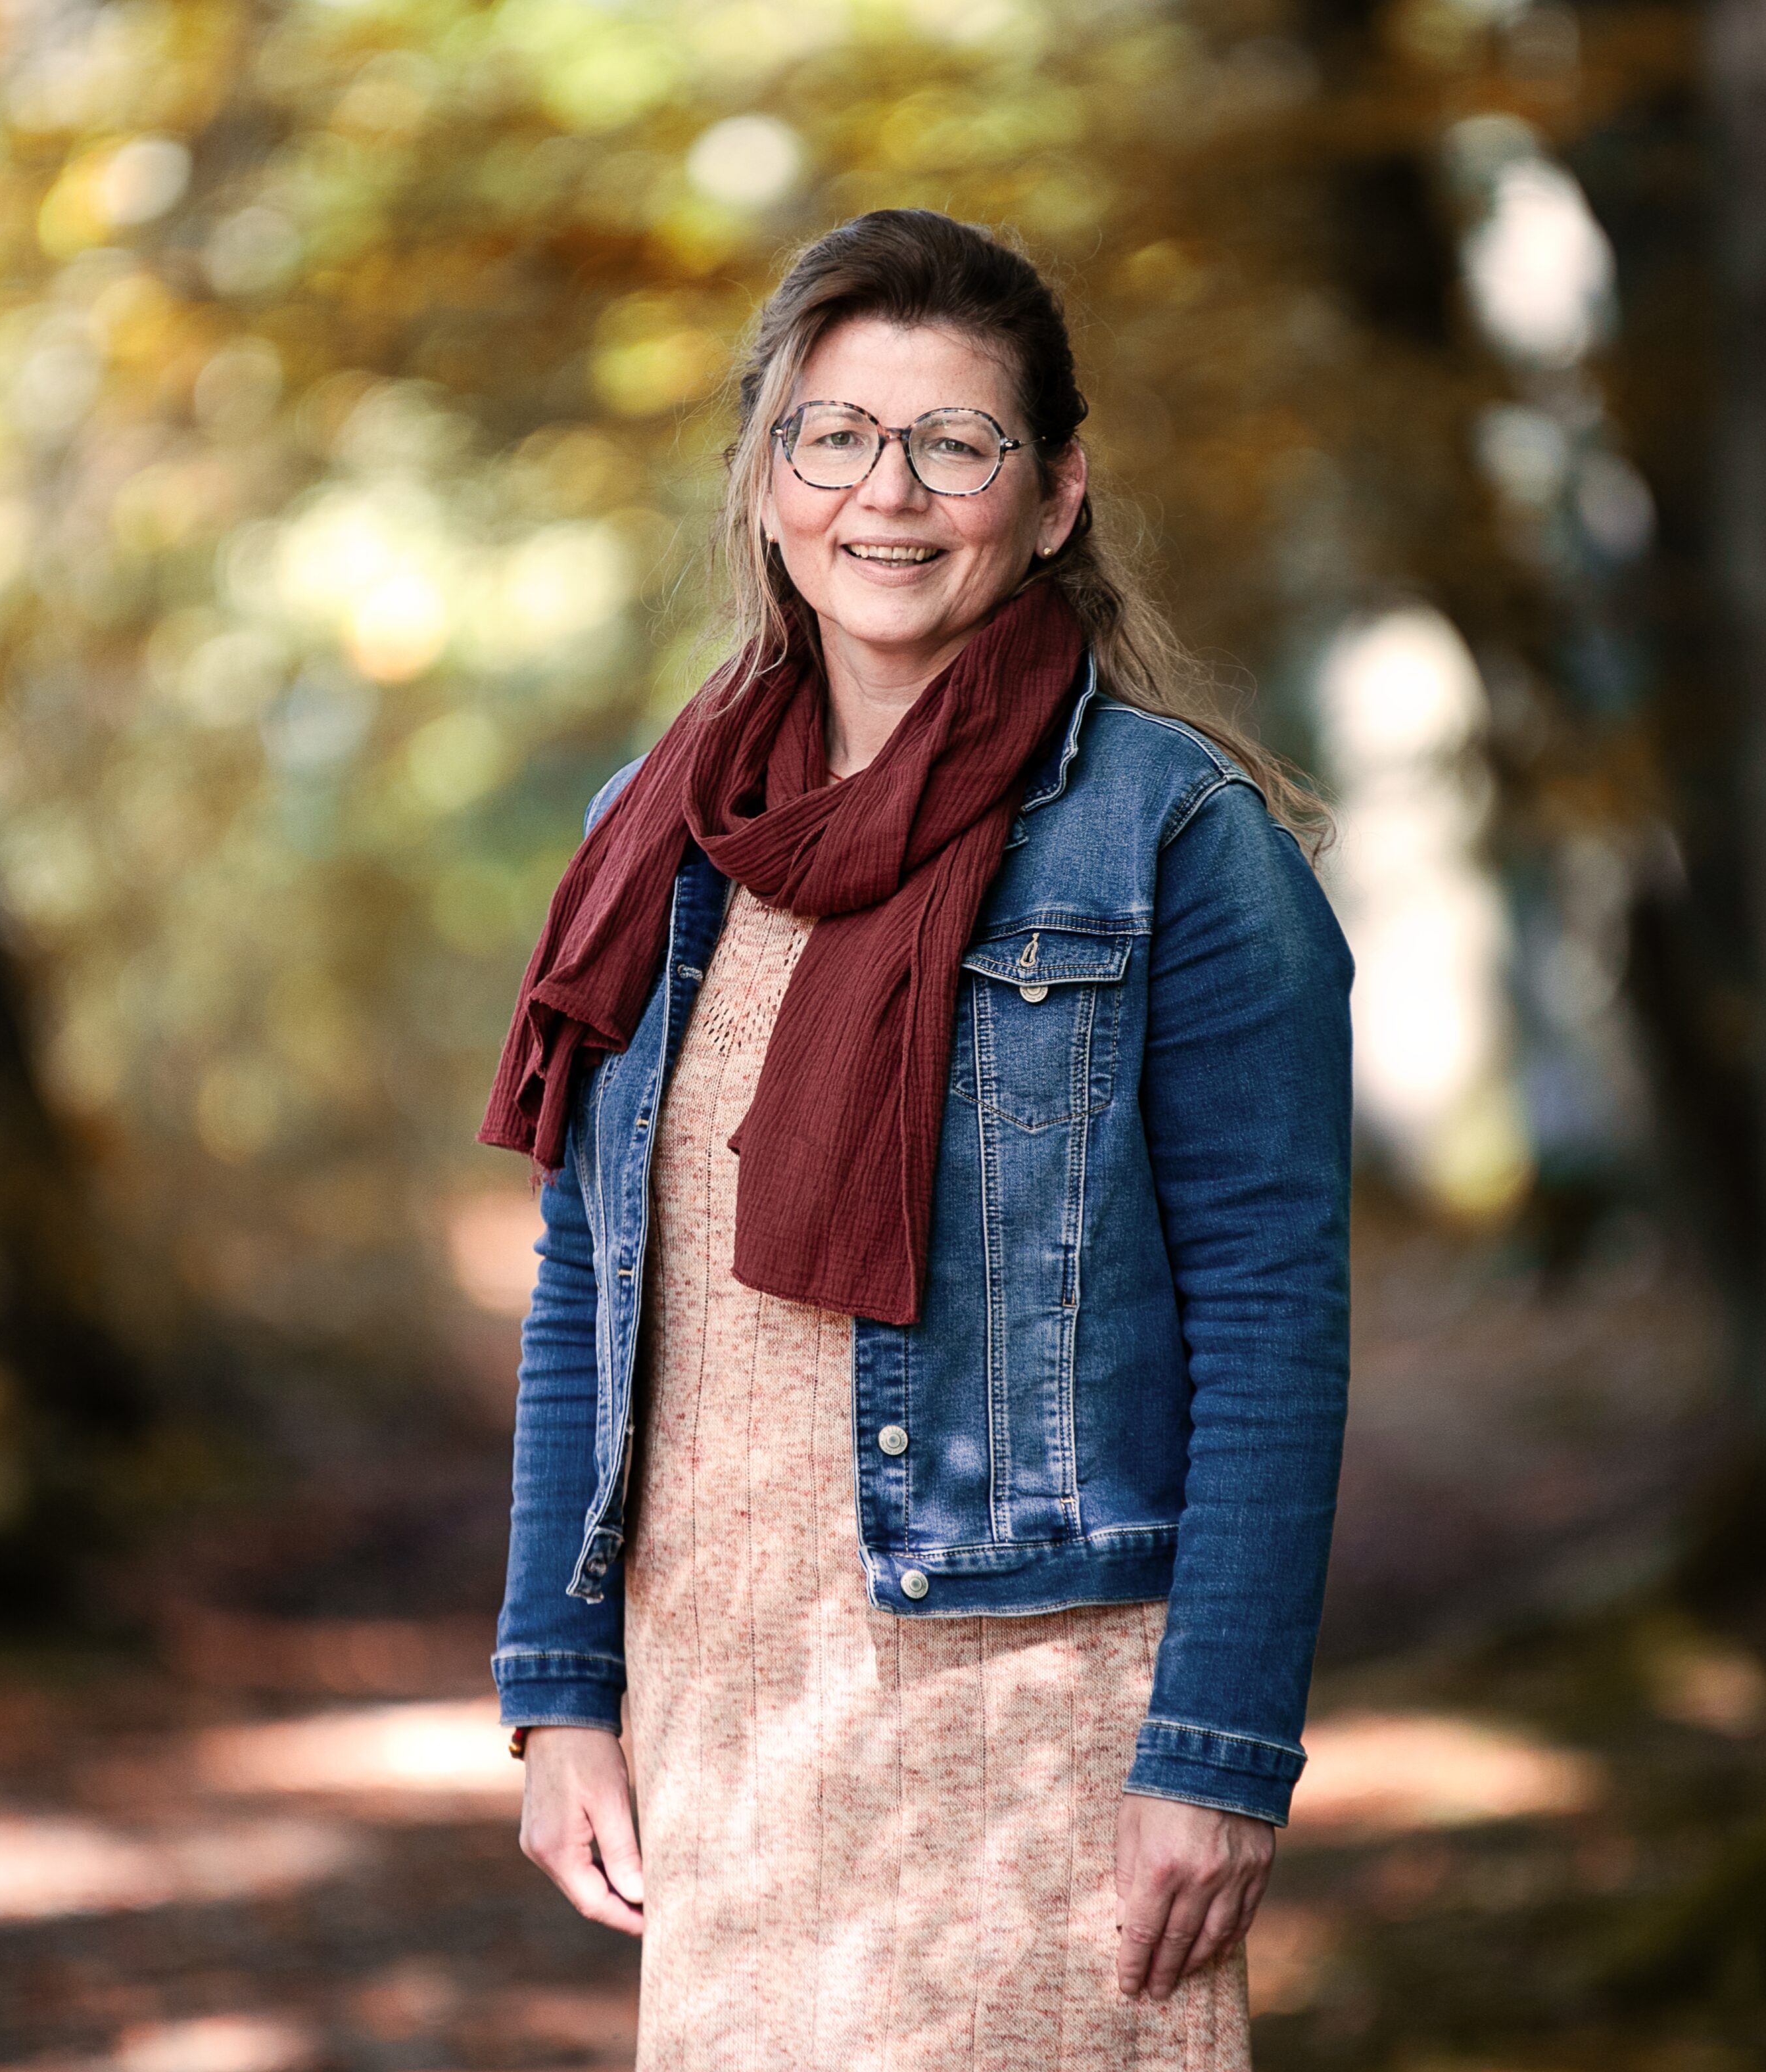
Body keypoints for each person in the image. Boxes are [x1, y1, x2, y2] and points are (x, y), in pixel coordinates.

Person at [480, 208, 1351, 2072]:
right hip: (726, 1708)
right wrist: (558, 1689)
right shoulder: (655, 829)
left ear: (1054, 497)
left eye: (958, 443)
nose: (890, 492)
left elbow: (1275, 1321)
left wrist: (1217, 1755)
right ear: (768, 477)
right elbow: (585, 1283)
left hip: (1041, 1721)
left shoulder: (1176, 841)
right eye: (836, 435)